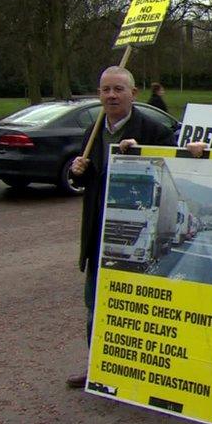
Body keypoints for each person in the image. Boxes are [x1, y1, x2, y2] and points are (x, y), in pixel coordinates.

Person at [66, 66, 176, 389]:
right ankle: (96, 368)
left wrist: (142, 153)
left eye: (118, 89)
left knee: (137, 306)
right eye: (105, 90)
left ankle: (139, 375)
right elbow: (87, 182)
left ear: (134, 93)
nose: (111, 96)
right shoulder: (94, 130)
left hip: (139, 235)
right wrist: (77, 171)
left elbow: (171, 167)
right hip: (100, 234)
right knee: (96, 304)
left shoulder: (153, 130)